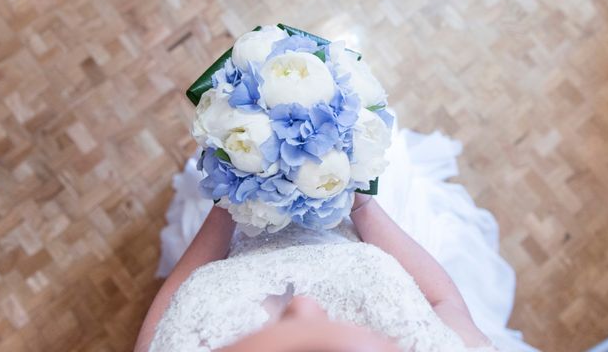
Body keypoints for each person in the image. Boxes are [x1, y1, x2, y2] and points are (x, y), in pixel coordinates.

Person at [135, 129, 537, 351]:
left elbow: (175, 300)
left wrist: (227, 201)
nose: (303, 304)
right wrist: (362, 203)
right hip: (355, 225)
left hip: (235, 232)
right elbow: (442, 301)